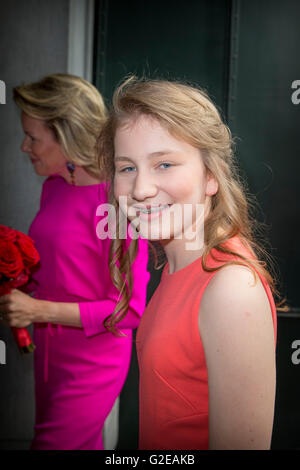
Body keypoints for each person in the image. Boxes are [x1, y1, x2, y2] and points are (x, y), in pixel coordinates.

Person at [97, 76, 280, 450]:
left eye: (164, 164)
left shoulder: (230, 289)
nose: (141, 189)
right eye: (127, 168)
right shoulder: (173, 268)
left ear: (210, 175)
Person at [0, 74, 149, 450]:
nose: (24, 146)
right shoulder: (54, 186)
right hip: (48, 355)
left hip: (92, 362)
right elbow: (57, 273)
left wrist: (35, 309)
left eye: (33, 137)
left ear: (66, 135)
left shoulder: (115, 202)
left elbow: (129, 310)